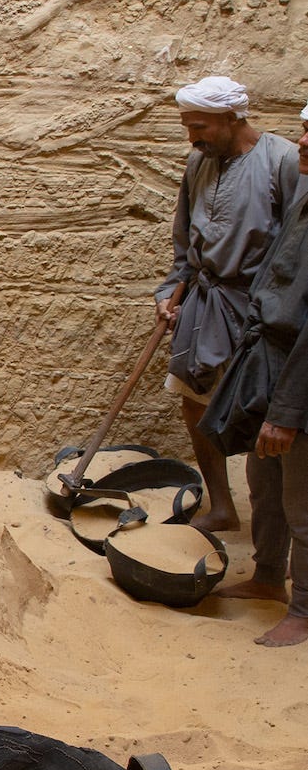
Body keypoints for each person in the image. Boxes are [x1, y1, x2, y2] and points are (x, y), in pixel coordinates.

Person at [157, 77, 302, 530]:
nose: (191, 137)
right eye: (187, 127)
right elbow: (186, 240)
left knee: (258, 411)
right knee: (193, 399)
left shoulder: (283, 162)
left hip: (260, 310)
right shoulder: (199, 160)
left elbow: (295, 247)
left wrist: (273, 308)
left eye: (198, 126)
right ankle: (222, 507)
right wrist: (170, 290)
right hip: (205, 300)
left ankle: (273, 545)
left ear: (231, 118)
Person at [213, 104, 308, 644]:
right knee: (263, 481)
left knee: (302, 500)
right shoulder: (304, 197)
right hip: (273, 359)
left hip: (299, 372)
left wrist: (289, 410)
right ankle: (269, 576)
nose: (303, 140)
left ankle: (305, 608)